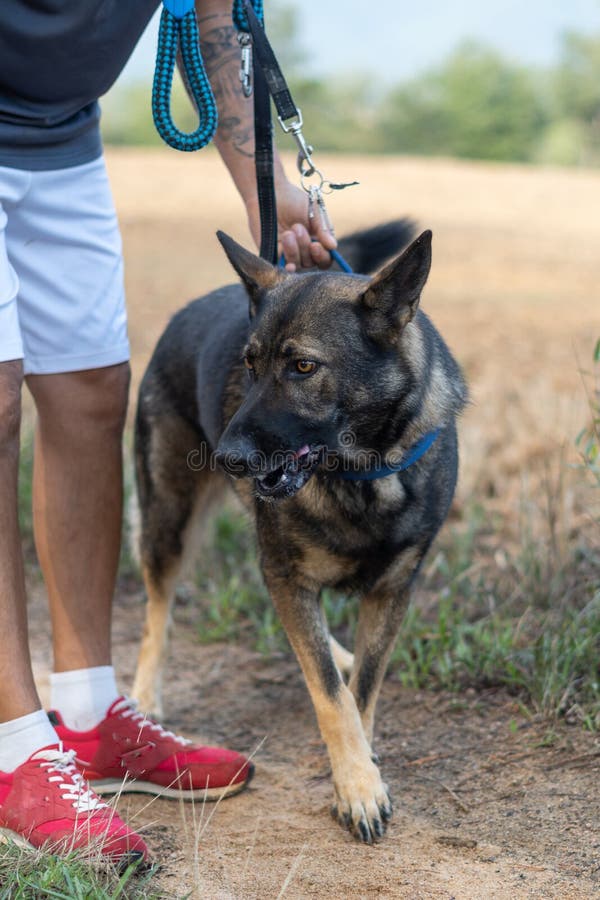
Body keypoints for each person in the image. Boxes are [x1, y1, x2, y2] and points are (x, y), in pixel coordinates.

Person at [0, 0, 336, 864]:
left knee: (90, 396)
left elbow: (217, 15)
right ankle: (13, 751)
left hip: (58, 137)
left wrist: (267, 189)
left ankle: (84, 714)